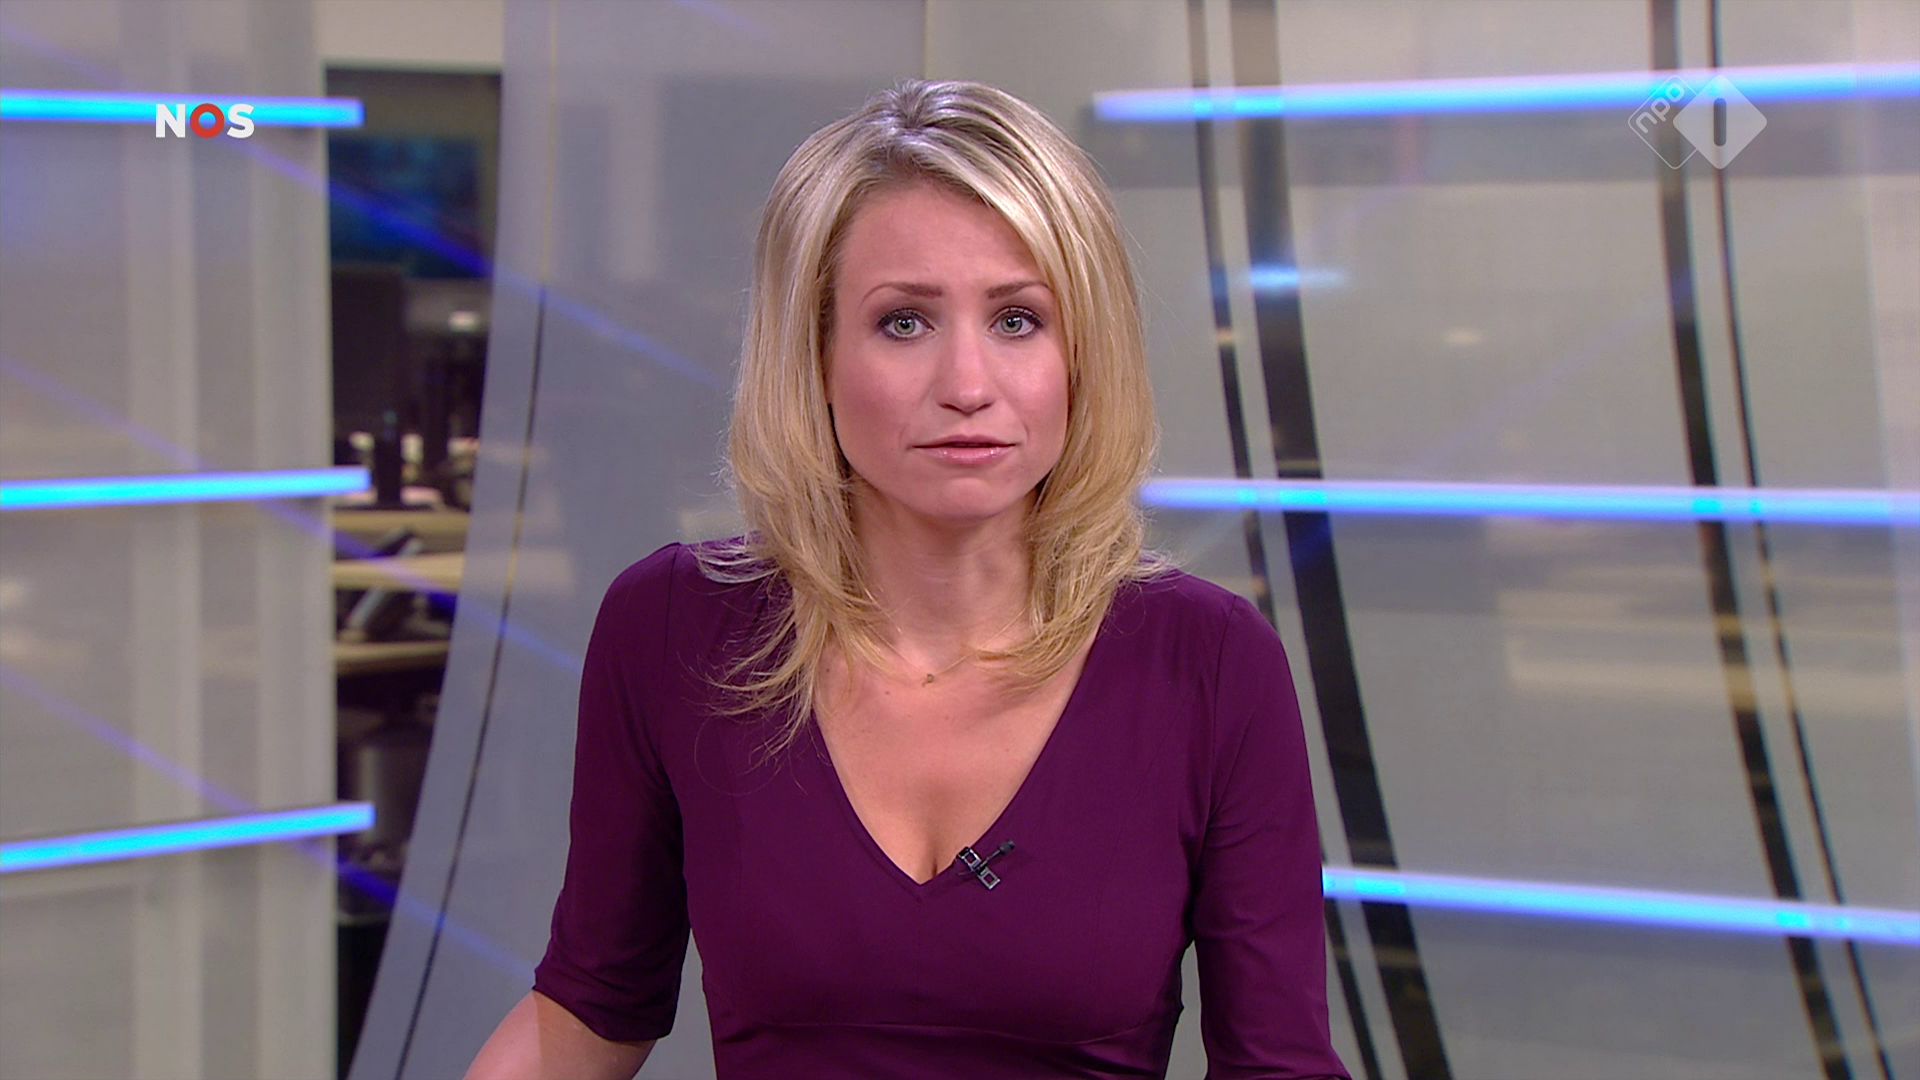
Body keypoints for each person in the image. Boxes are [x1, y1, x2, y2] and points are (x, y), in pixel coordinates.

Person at [467, 78, 1348, 1080]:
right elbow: (590, 1007)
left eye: (1018, 320)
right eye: (903, 323)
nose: (968, 386)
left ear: (1083, 356)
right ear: (814, 356)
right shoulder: (674, 627)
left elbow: (1278, 1064)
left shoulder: (1210, 665)